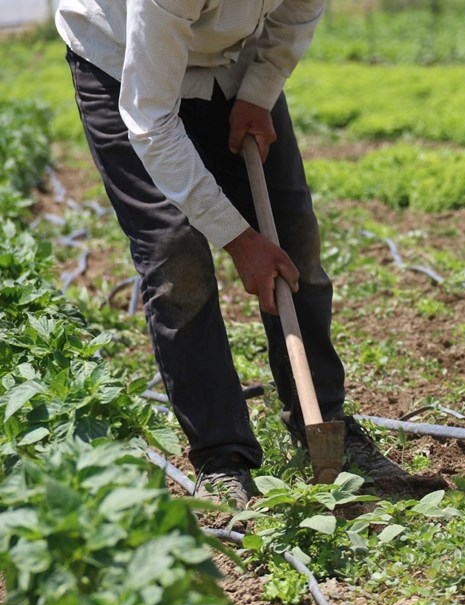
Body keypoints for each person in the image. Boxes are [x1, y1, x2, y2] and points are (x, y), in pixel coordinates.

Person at [55, 0, 406, 510]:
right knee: (177, 258)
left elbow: (297, 13)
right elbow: (150, 120)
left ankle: (324, 426)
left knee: (294, 241)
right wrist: (239, 241)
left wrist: (259, 92)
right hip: (126, 63)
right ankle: (222, 458)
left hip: (230, 65)